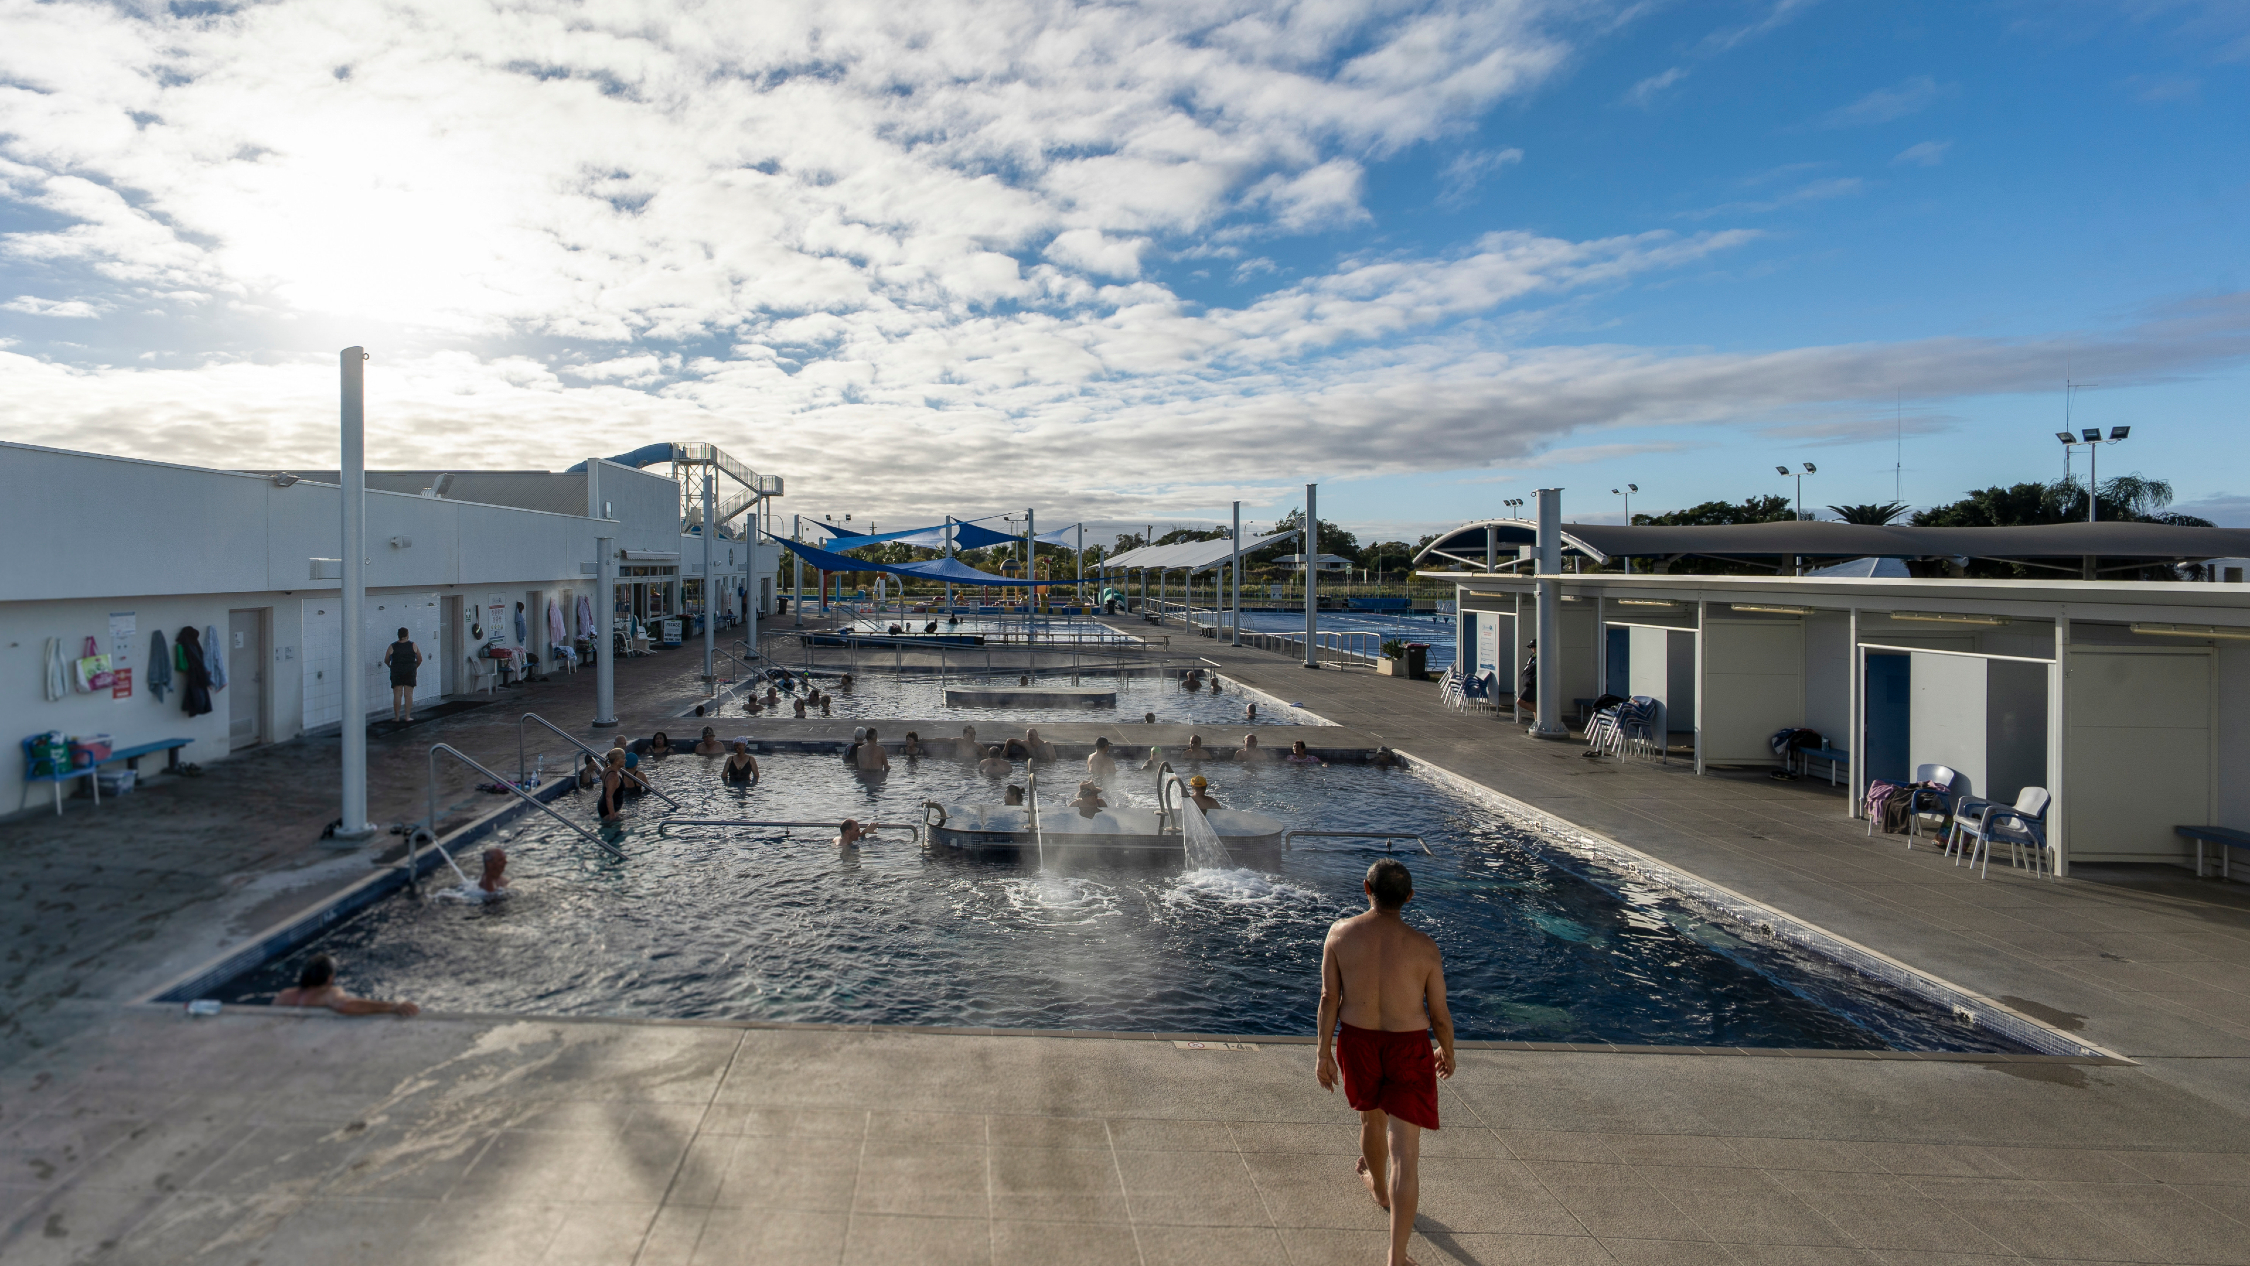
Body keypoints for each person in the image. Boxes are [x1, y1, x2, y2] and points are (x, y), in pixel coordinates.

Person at [1316, 859, 1455, 1266]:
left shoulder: (1340, 935)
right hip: (1408, 1047)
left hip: (1358, 1041)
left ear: (1365, 889)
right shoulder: (1424, 947)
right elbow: (1440, 1015)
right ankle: (1397, 1256)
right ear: (1409, 898)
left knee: (1370, 1121)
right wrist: (1447, 1050)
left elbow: (1328, 999)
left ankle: (1378, 1188)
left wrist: (1323, 1053)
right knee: (1405, 1154)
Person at [275, 953, 419, 1017]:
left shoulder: (284, 995)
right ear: (329, 978)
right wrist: (392, 1006)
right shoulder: (329, 993)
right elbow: (346, 1005)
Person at [382, 626, 422, 723]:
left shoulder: (392, 646)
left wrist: (390, 666)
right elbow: (420, 659)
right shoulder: (413, 645)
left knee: (397, 694)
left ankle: (397, 717)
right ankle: (407, 717)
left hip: (396, 671)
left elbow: (386, 660)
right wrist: (415, 667)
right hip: (410, 671)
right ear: (407, 635)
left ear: (398, 635)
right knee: (408, 695)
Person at [599, 750, 628, 820]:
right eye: (623, 758)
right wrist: (612, 815)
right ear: (617, 760)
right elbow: (608, 796)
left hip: (604, 806)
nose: (625, 760)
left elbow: (601, 777)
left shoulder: (607, 770)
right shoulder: (613, 777)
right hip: (608, 811)